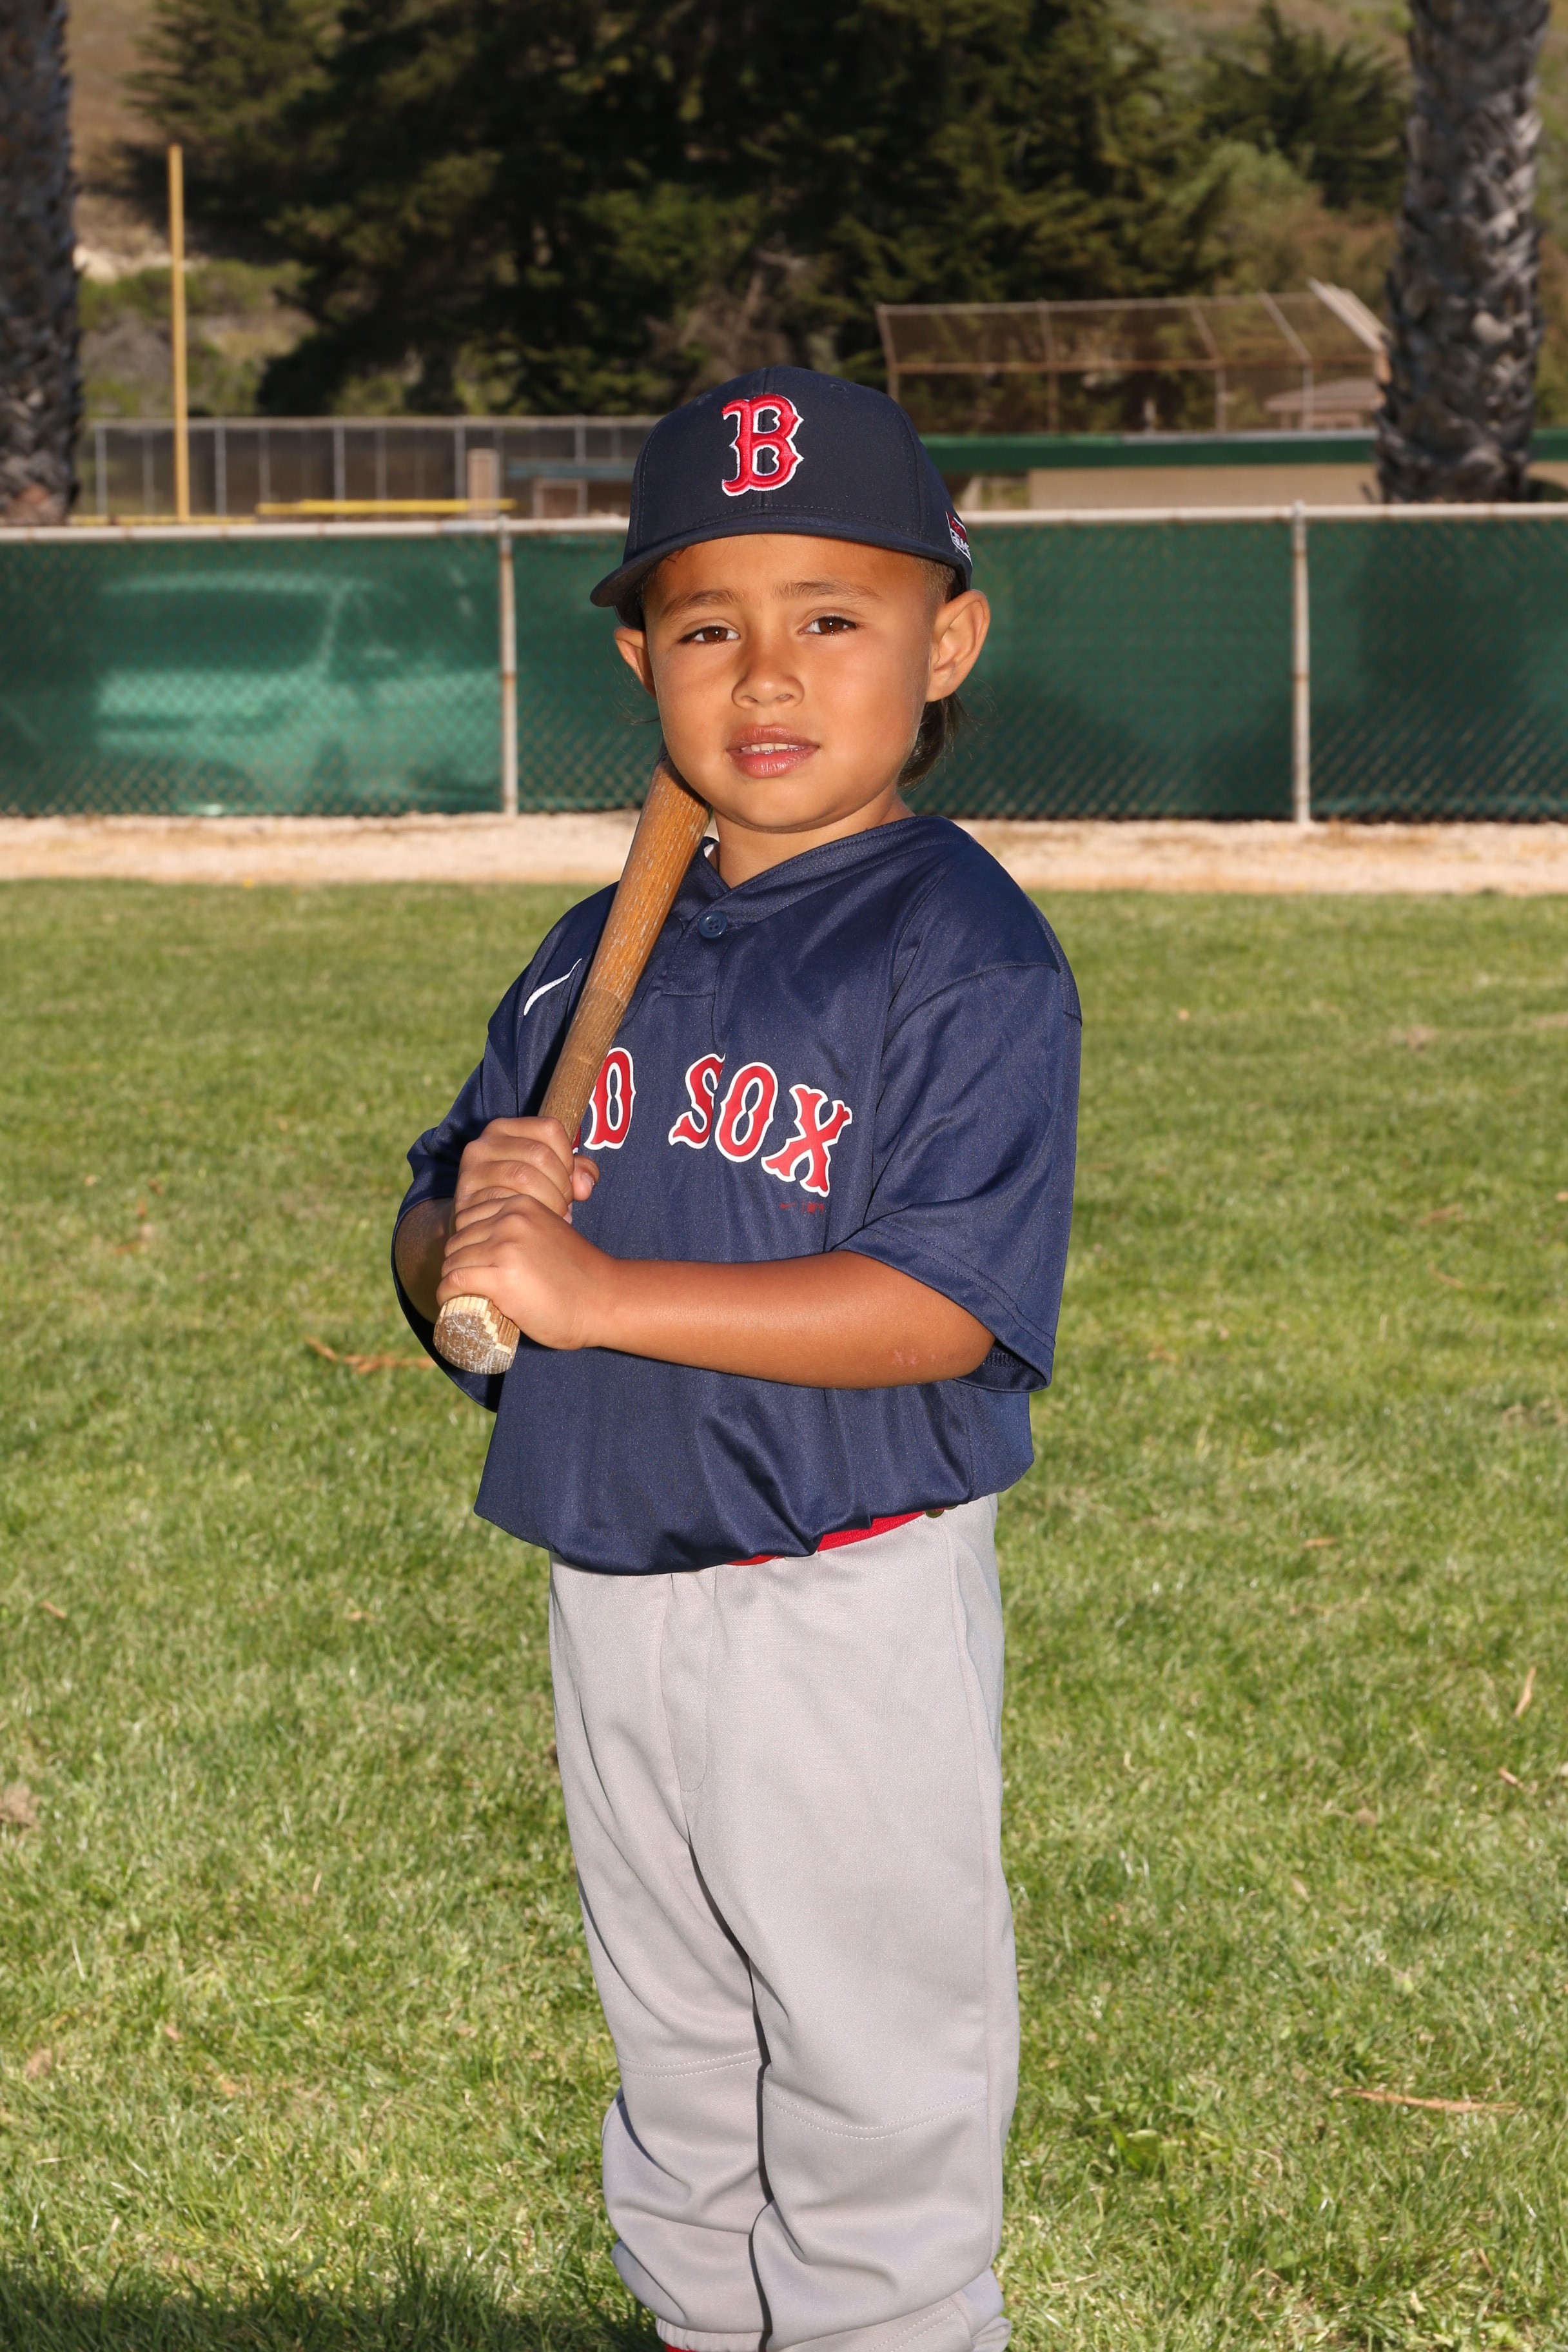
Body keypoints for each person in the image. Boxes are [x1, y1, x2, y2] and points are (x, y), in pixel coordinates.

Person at [393, 368, 1081, 2352]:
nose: (767, 675)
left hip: (841, 1598)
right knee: (684, 2070)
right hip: (613, 1580)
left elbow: (941, 1309)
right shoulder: (582, 954)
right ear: (643, 660)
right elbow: (446, 1230)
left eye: (832, 617)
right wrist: (468, 1237)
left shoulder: (960, 949)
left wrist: (600, 1293)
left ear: (947, 641)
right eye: (708, 627)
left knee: (869, 2079)